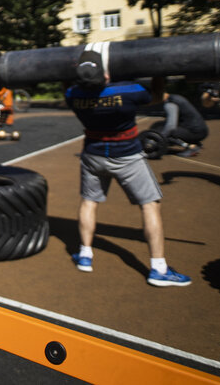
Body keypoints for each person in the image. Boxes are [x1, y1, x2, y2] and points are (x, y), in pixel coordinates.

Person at [65, 50, 191, 287]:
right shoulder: (129, 91)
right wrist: (158, 73)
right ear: (105, 73)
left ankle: (85, 255)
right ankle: (159, 269)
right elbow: (157, 96)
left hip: (93, 156)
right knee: (150, 205)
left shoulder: (73, 94)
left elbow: (69, 85)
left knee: (88, 202)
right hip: (127, 157)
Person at [160, 92, 208, 157]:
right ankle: (196, 143)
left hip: (195, 131)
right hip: (202, 129)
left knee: (167, 132)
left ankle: (190, 147)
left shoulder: (170, 104)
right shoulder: (176, 97)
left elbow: (171, 126)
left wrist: (160, 137)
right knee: (170, 129)